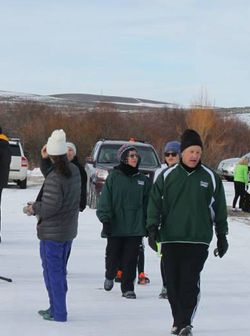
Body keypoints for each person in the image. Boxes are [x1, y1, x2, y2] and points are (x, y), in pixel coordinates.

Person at [147, 129, 229, 336]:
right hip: (171, 238)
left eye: (198, 152)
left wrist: (222, 236)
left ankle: (185, 323)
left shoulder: (210, 177)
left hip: (197, 239)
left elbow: (219, 209)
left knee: (189, 282)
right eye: (191, 151)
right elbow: (154, 204)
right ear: (182, 152)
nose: (195, 156)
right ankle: (178, 321)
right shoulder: (167, 176)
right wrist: (151, 228)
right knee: (172, 285)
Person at [24, 129, 80, 322]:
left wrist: (34, 208)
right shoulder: (73, 171)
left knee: (52, 272)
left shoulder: (56, 177)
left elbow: (50, 207)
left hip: (52, 233)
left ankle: (59, 312)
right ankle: (56, 307)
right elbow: (53, 175)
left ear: (53, 154)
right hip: (67, 231)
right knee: (59, 272)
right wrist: (45, 158)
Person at [97, 143, 151, 299]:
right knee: (113, 255)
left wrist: (148, 223)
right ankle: (110, 274)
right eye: (131, 155)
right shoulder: (114, 177)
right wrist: (105, 220)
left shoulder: (142, 180)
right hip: (116, 225)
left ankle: (128, 288)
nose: (135, 158)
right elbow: (105, 200)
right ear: (124, 158)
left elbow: (148, 203)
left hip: (135, 226)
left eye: (136, 155)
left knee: (131, 258)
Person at [152, 140, 181, 299]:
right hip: (165, 221)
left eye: (174, 154)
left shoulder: (184, 173)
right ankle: (166, 285)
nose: (170, 157)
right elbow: (154, 198)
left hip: (181, 222)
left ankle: (179, 285)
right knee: (164, 255)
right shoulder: (160, 172)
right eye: (167, 154)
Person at [40, 141, 87, 211]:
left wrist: (81, 204)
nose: (68, 152)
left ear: (74, 154)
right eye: (65, 150)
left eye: (70, 150)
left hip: (66, 207)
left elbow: (82, 188)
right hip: (53, 205)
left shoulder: (78, 169)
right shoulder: (59, 166)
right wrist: (45, 159)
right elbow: (48, 175)